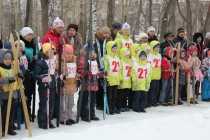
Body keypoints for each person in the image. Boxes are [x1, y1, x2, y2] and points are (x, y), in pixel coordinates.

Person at [19, 27, 39, 121]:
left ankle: (29, 111)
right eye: (28, 35)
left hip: (32, 71)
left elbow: (37, 55)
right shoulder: (20, 43)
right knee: (23, 94)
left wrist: (35, 59)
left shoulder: (33, 44)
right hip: (23, 72)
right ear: (24, 35)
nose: (30, 37)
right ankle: (22, 114)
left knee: (30, 93)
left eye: (31, 34)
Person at [35, 43, 55, 129]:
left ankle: (48, 120)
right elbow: (36, 74)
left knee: (51, 103)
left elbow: (54, 73)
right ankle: (42, 121)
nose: (51, 54)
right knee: (44, 103)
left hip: (52, 86)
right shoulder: (40, 62)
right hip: (44, 87)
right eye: (49, 52)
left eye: (53, 52)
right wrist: (43, 78)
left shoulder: (53, 62)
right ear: (45, 52)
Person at [0, 50, 19, 136]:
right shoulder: (0, 68)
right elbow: (1, 81)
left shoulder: (13, 67)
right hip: (4, 95)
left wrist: (20, 75)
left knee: (11, 112)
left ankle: (10, 128)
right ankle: (3, 128)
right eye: (6, 58)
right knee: (4, 113)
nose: (8, 60)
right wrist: (8, 80)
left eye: (9, 59)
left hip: (13, 94)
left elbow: (17, 74)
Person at [80, 50, 100, 121]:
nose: (93, 55)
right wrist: (87, 73)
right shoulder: (86, 61)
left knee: (93, 100)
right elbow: (82, 72)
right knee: (87, 100)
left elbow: (97, 71)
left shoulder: (95, 61)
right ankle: (85, 115)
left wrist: (101, 74)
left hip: (94, 83)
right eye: (91, 53)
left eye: (94, 53)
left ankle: (92, 114)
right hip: (87, 84)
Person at [60, 44, 77, 125]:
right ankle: (63, 117)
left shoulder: (74, 61)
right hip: (65, 85)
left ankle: (70, 116)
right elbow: (58, 72)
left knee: (71, 102)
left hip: (72, 85)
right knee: (64, 102)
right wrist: (61, 77)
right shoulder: (62, 62)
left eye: (70, 53)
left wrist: (77, 79)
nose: (69, 55)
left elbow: (74, 72)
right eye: (67, 53)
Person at [104, 41, 121, 114]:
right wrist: (106, 77)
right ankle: (109, 108)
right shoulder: (106, 57)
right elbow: (105, 68)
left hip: (116, 79)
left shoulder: (117, 57)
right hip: (110, 79)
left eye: (116, 48)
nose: (115, 49)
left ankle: (113, 107)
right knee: (109, 95)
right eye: (113, 48)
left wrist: (119, 78)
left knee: (115, 95)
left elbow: (120, 68)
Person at [147, 41, 161, 107]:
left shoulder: (159, 55)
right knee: (151, 89)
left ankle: (154, 101)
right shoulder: (150, 55)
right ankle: (149, 101)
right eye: (156, 47)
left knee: (156, 89)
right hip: (151, 75)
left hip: (157, 75)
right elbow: (148, 65)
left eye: (158, 47)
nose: (157, 48)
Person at [118, 47, 132, 112]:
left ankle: (125, 105)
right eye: (126, 52)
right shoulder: (121, 61)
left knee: (127, 95)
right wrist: (120, 78)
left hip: (128, 80)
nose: (128, 53)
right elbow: (119, 70)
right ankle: (120, 106)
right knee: (121, 95)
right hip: (123, 80)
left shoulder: (130, 61)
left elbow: (131, 70)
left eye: (128, 52)